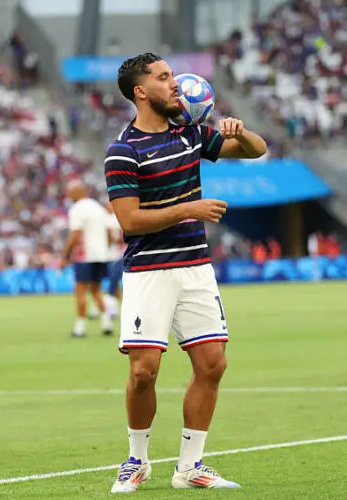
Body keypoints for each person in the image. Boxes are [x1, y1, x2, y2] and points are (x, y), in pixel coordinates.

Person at [104, 53, 266, 493]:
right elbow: (130, 221)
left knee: (213, 364)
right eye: (163, 77)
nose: (174, 83)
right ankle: (136, 459)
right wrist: (188, 209)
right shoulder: (123, 150)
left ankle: (190, 467)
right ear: (141, 92)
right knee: (144, 372)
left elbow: (256, 150)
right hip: (149, 271)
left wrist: (240, 131)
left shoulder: (190, 132)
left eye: (172, 74)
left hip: (195, 266)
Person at [61, 179, 113, 337]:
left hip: (85, 255)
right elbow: (109, 232)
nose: (68, 195)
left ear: (78, 192)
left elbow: (75, 233)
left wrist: (65, 255)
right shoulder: (98, 207)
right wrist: (105, 249)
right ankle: (106, 323)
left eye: (70, 191)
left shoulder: (77, 209)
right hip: (101, 254)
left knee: (80, 290)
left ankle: (80, 327)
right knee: (96, 289)